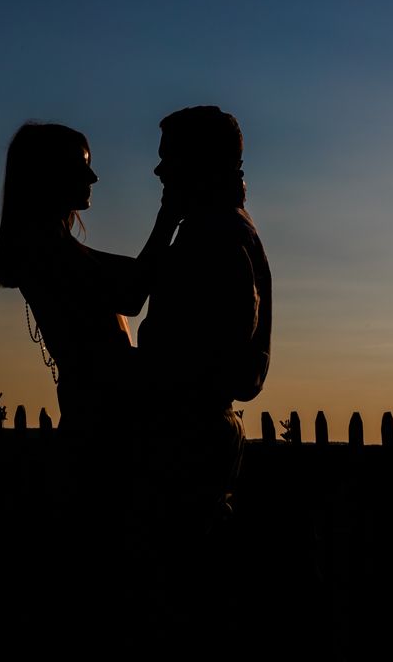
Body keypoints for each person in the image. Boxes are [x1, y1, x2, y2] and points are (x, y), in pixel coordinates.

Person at [0, 120, 180, 637]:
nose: (93, 181)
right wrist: (171, 211)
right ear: (48, 176)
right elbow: (133, 291)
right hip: (103, 437)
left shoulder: (48, 249)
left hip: (100, 427)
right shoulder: (45, 251)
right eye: (82, 167)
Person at [134, 104, 272, 646]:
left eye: (170, 160)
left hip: (188, 448)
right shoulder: (216, 230)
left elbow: (222, 363)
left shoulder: (215, 238)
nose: (159, 172)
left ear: (200, 164)